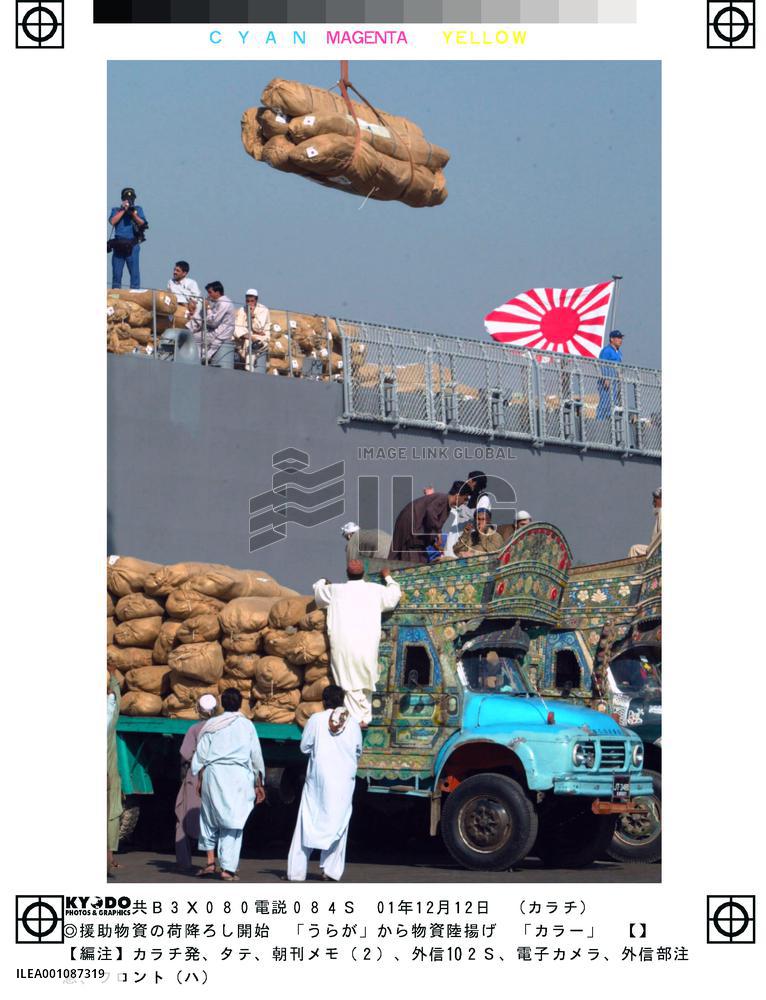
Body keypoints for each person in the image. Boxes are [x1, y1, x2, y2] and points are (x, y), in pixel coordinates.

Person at [286, 684, 363, 883]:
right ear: (342, 701)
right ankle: (330, 871)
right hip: (343, 783)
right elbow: (358, 751)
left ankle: (296, 873)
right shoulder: (353, 724)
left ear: (323, 701)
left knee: (306, 822)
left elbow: (304, 747)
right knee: (339, 825)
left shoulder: (316, 720)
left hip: (318, 781)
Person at [191, 688, 266, 881]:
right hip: (238, 777)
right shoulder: (247, 725)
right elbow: (256, 756)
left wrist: (199, 778)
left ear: (222, 704)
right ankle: (227, 868)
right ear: (240, 704)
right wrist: (259, 782)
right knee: (233, 822)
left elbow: (200, 755)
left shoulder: (212, 724)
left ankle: (210, 862)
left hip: (213, 775)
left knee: (208, 819)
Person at [313, 562, 401, 725]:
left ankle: (355, 721)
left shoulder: (335, 590)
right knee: (365, 682)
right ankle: (362, 719)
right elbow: (394, 595)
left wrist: (322, 581)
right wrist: (388, 577)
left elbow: (318, 594)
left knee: (349, 683)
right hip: (367, 647)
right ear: (363, 573)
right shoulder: (375, 590)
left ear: (347, 574)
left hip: (344, 646)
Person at [174, 693, 218, 874]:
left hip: (196, 777)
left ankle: (184, 861)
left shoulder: (194, 729)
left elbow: (185, 754)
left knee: (183, 816)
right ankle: (221, 862)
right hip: (217, 777)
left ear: (198, 709)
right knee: (217, 819)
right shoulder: (222, 729)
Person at [388, 482, 472, 563]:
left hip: (414, 530)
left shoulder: (446, 506)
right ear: (457, 496)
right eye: (465, 499)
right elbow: (430, 512)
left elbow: (430, 523)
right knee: (405, 553)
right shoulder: (442, 499)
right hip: (409, 524)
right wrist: (438, 532)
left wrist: (434, 542)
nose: (464, 502)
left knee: (419, 557)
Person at [109, 187, 147, 289]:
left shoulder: (138, 209)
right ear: (122, 199)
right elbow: (112, 221)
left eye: (131, 198)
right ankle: (116, 293)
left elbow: (142, 223)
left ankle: (135, 292)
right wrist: (123, 210)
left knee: (134, 273)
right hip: (119, 246)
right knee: (116, 273)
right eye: (126, 198)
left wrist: (132, 213)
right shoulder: (116, 210)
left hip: (132, 246)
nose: (129, 200)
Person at [107, 669, 122, 874]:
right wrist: (113, 679)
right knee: (111, 815)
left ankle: (109, 858)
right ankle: (108, 857)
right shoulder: (108, 721)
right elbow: (115, 704)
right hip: (108, 776)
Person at [234, 289, 271, 373]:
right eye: (247, 301)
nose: (249, 303)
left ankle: (249, 367)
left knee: (252, 343)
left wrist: (252, 316)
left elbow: (259, 328)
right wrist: (248, 335)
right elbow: (238, 326)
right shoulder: (242, 310)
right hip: (245, 336)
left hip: (261, 338)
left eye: (252, 301)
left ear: (256, 300)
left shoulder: (263, 310)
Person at [202, 281, 237, 368]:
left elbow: (213, 322)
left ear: (217, 292)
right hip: (218, 331)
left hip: (221, 333)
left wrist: (207, 308)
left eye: (210, 292)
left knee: (198, 339)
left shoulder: (224, 303)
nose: (208, 295)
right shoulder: (219, 302)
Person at [597, 330, 625, 420]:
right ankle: (600, 421)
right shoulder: (607, 351)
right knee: (605, 402)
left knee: (613, 403)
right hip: (607, 381)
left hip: (615, 381)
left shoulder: (619, 353)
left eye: (621, 338)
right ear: (612, 339)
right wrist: (605, 378)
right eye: (618, 338)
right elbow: (602, 364)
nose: (620, 340)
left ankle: (610, 421)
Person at [629, 487, 662, 557]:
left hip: (658, 551)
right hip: (655, 549)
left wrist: (650, 551)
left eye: (655, 500)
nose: (653, 503)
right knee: (634, 549)